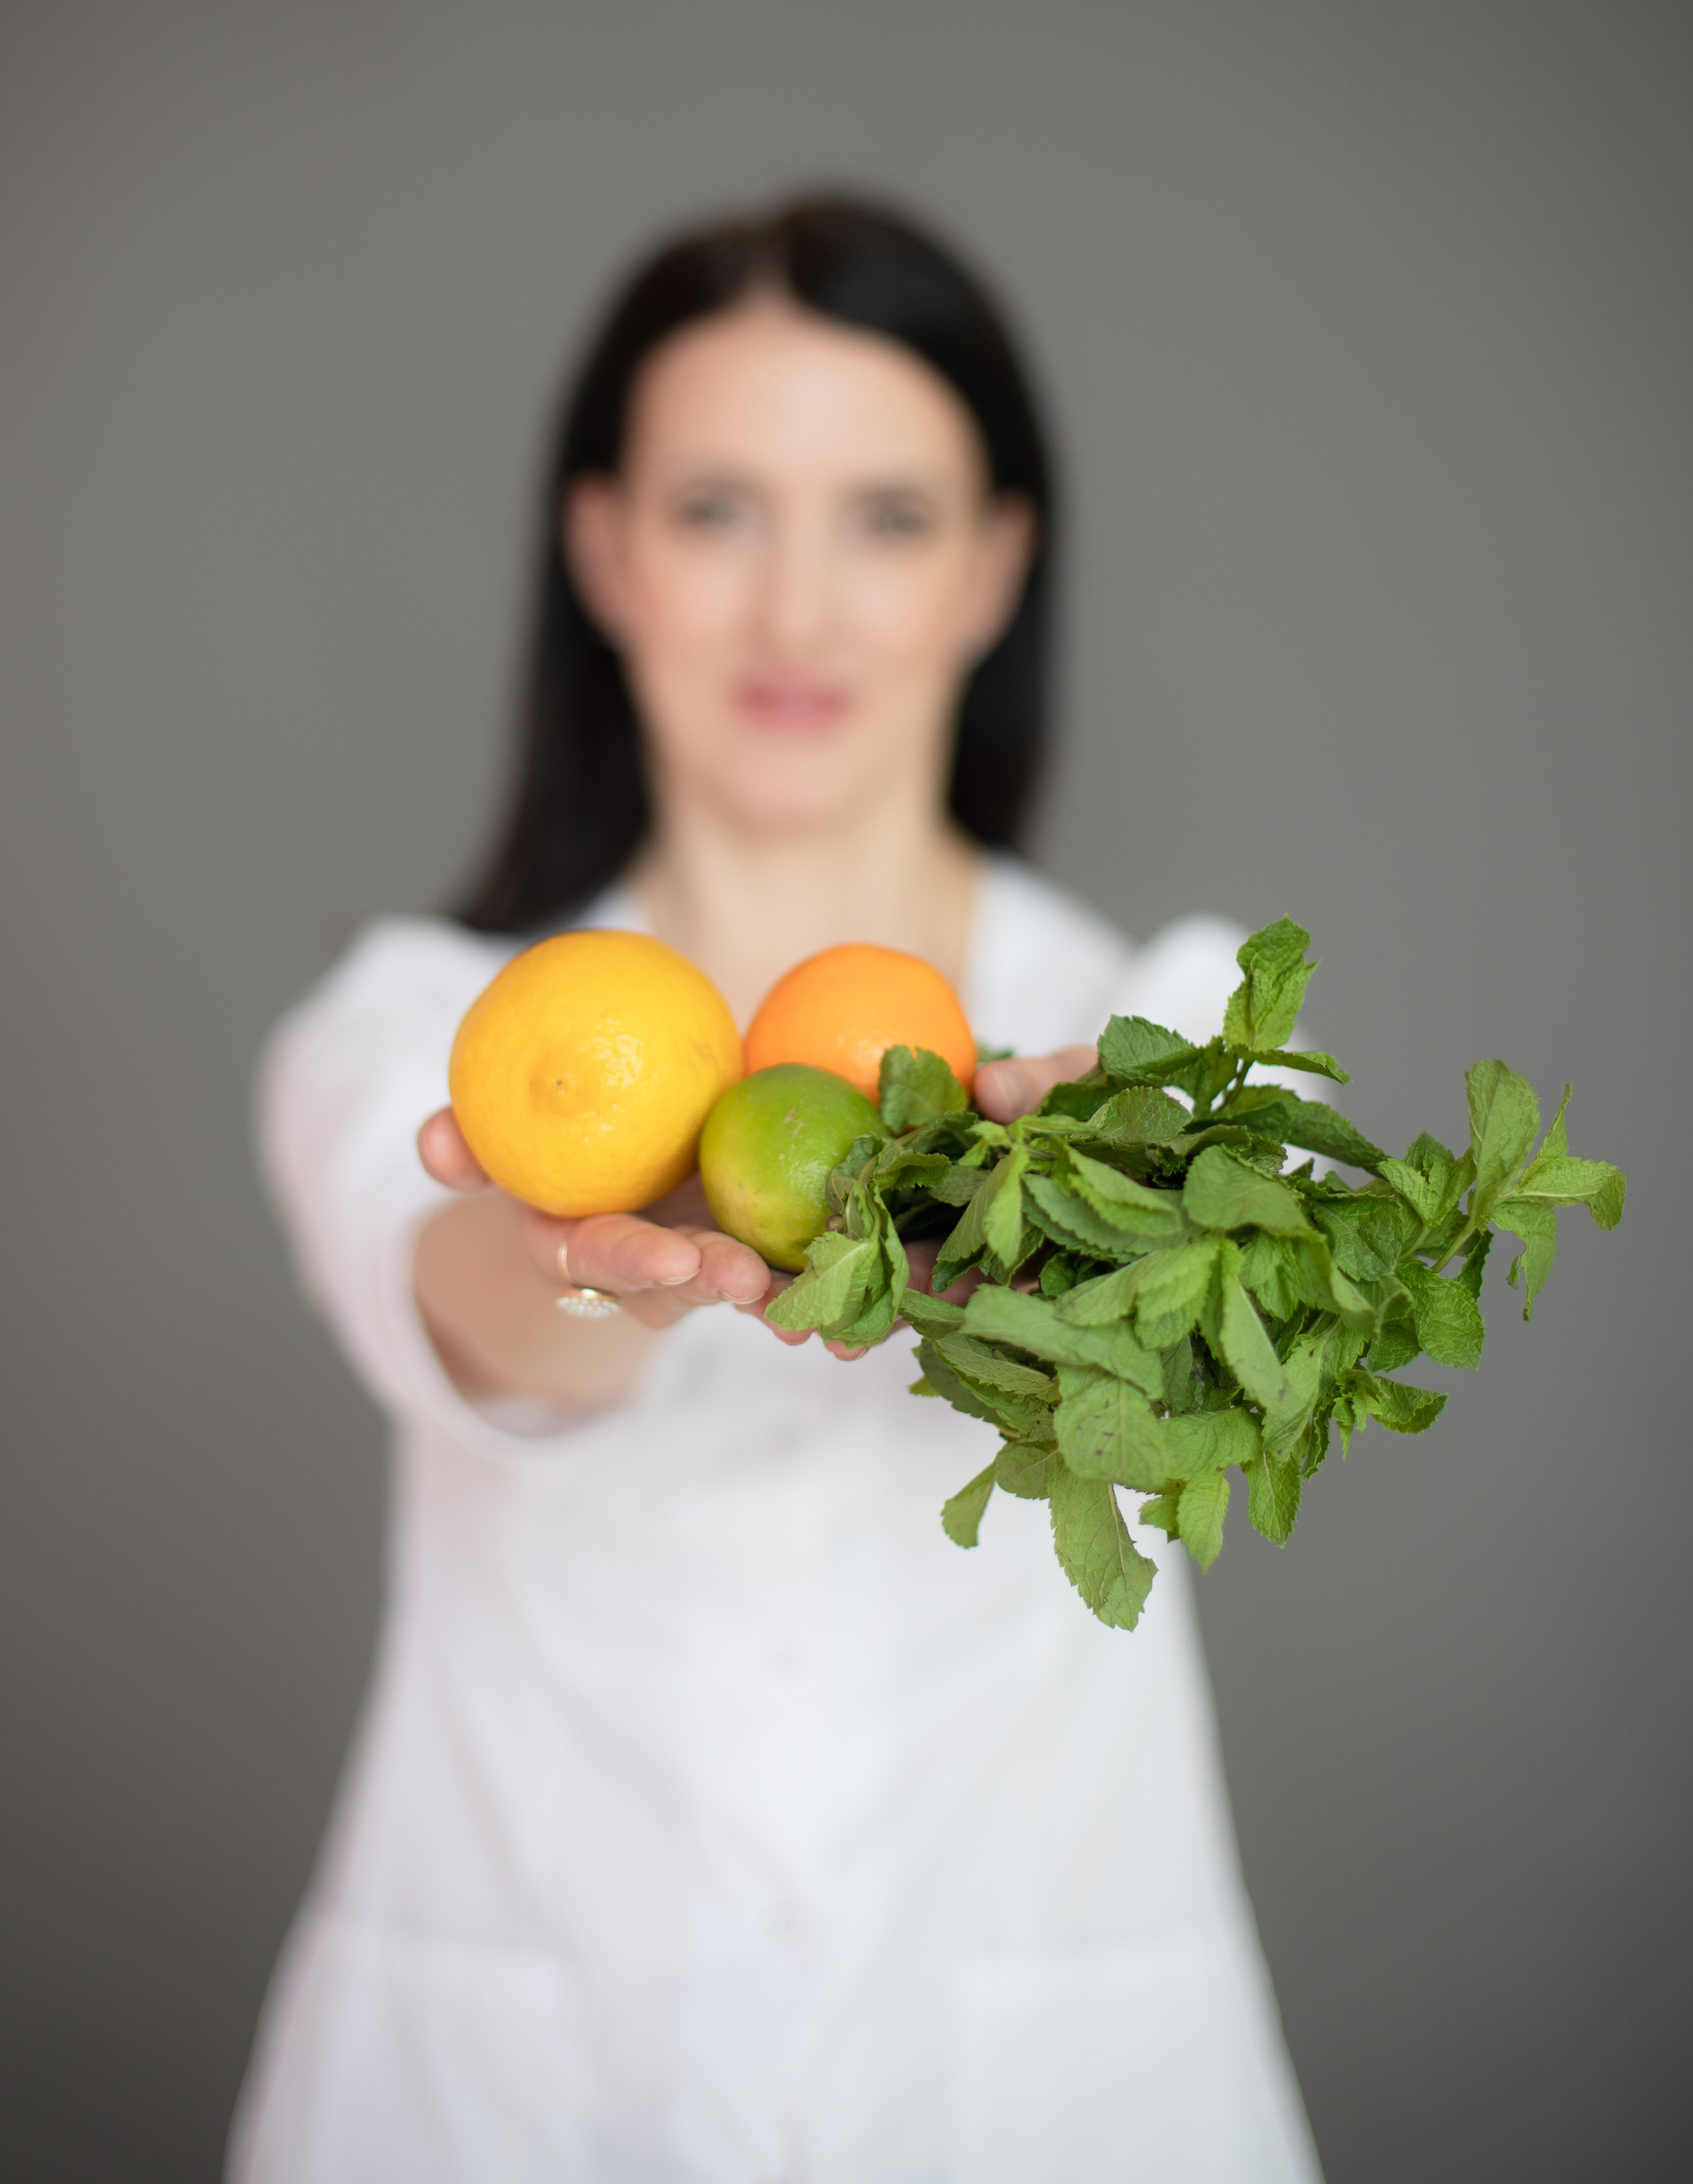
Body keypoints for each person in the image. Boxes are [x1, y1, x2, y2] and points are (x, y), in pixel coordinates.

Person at [229, 197, 1322, 2183]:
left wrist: (1121, 1195)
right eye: (721, 510)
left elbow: (1285, 1284)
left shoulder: (1155, 1040)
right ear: (607, 553)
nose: (798, 612)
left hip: (1054, 2099)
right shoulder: (429, 1033)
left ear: (996, 567)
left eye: (888, 519)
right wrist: (585, 1261)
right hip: (509, 2103)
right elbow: (457, 1306)